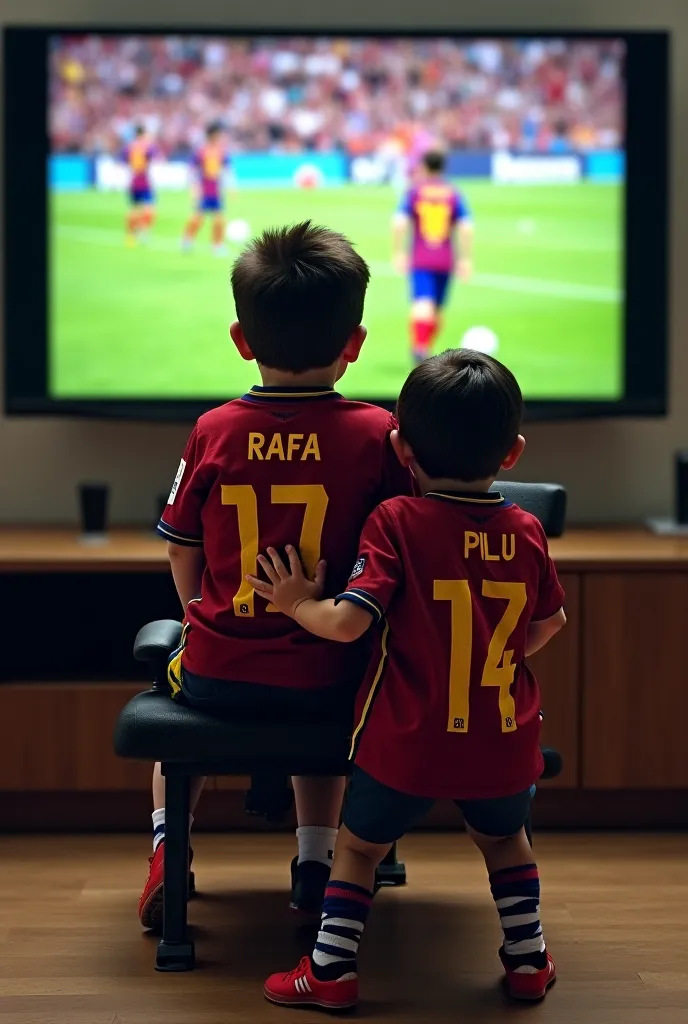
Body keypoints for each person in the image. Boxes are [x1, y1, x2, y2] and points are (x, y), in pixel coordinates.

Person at [254, 349, 566, 1010]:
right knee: (507, 841)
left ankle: (331, 970)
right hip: (503, 739)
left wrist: (295, 602)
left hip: (407, 743)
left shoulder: (396, 522)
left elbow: (346, 625)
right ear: (512, 454)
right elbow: (549, 623)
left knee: (361, 849)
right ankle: (529, 960)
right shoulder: (528, 531)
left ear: (401, 447)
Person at [139, 221, 412, 930]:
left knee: (172, 688)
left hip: (220, 668)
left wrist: (207, 613)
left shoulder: (213, 429)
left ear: (241, 339)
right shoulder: (377, 433)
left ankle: (168, 856)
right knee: (320, 702)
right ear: (353, 344)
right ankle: (316, 863)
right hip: (336, 671)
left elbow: (179, 547)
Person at [392, 150, 474, 364]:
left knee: (422, 303)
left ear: (424, 167)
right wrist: (466, 258)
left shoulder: (415, 192)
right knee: (437, 307)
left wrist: (398, 251)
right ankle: (425, 348)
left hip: (421, 257)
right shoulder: (452, 193)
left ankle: (419, 348)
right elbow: (466, 226)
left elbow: (399, 222)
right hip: (446, 258)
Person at [181, 122, 233, 256]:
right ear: (213, 135)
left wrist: (231, 187)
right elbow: (192, 170)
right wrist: (194, 189)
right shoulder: (201, 151)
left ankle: (217, 245)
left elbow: (227, 169)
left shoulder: (221, 151)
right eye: (219, 134)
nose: (221, 137)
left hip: (215, 190)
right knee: (198, 218)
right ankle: (187, 239)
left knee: (219, 219)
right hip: (204, 189)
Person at [121, 125, 158, 247]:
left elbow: (124, 161)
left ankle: (130, 236)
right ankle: (142, 230)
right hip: (144, 181)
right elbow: (154, 157)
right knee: (150, 209)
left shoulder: (129, 147)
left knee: (134, 209)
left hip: (133, 180)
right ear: (142, 134)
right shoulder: (147, 146)